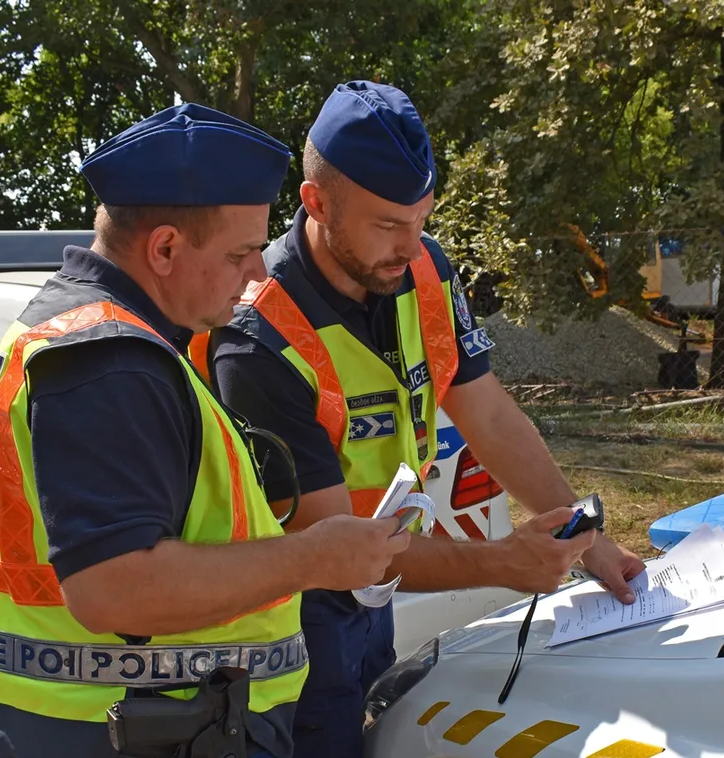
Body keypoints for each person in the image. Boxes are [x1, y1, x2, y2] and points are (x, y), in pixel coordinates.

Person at [201, 81, 649, 758]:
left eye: (422, 219)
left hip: (374, 586)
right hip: (289, 616)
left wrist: (586, 538)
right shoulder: (257, 338)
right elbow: (330, 546)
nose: (412, 247)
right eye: (387, 224)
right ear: (316, 201)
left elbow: (488, 414)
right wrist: (503, 561)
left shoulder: (424, 270)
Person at [0, 102, 410, 758]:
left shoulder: (101, 336)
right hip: (136, 733)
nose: (258, 275)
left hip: (129, 727)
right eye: (242, 254)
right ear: (165, 247)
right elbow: (114, 587)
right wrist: (316, 556)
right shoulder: (109, 361)